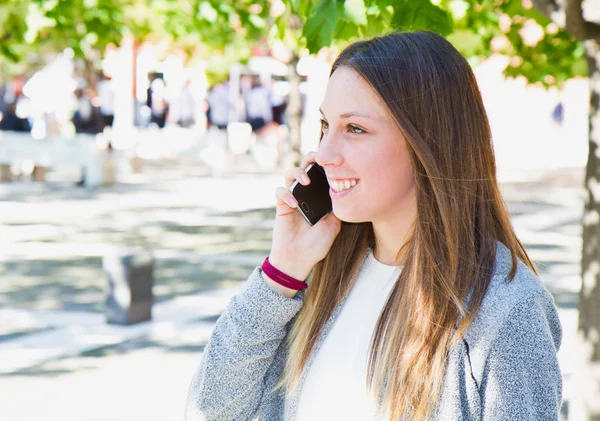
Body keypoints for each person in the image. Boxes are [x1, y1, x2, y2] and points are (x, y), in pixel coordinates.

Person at [185, 31, 562, 421]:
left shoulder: (503, 310)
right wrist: (281, 272)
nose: (325, 154)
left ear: (426, 143)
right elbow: (211, 410)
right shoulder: (318, 277)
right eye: (325, 126)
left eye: (355, 129)